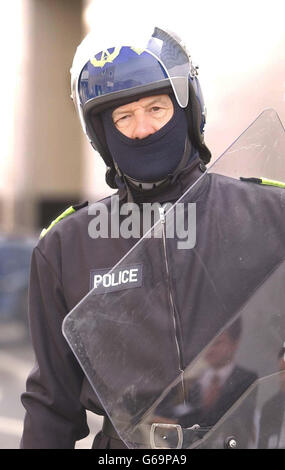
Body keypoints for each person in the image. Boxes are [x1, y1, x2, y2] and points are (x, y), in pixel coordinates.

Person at [20, 26, 285, 449]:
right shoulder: (66, 247)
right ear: (103, 135)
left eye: (156, 109)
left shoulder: (271, 214)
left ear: (187, 108)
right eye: (123, 117)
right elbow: (51, 405)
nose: (141, 130)